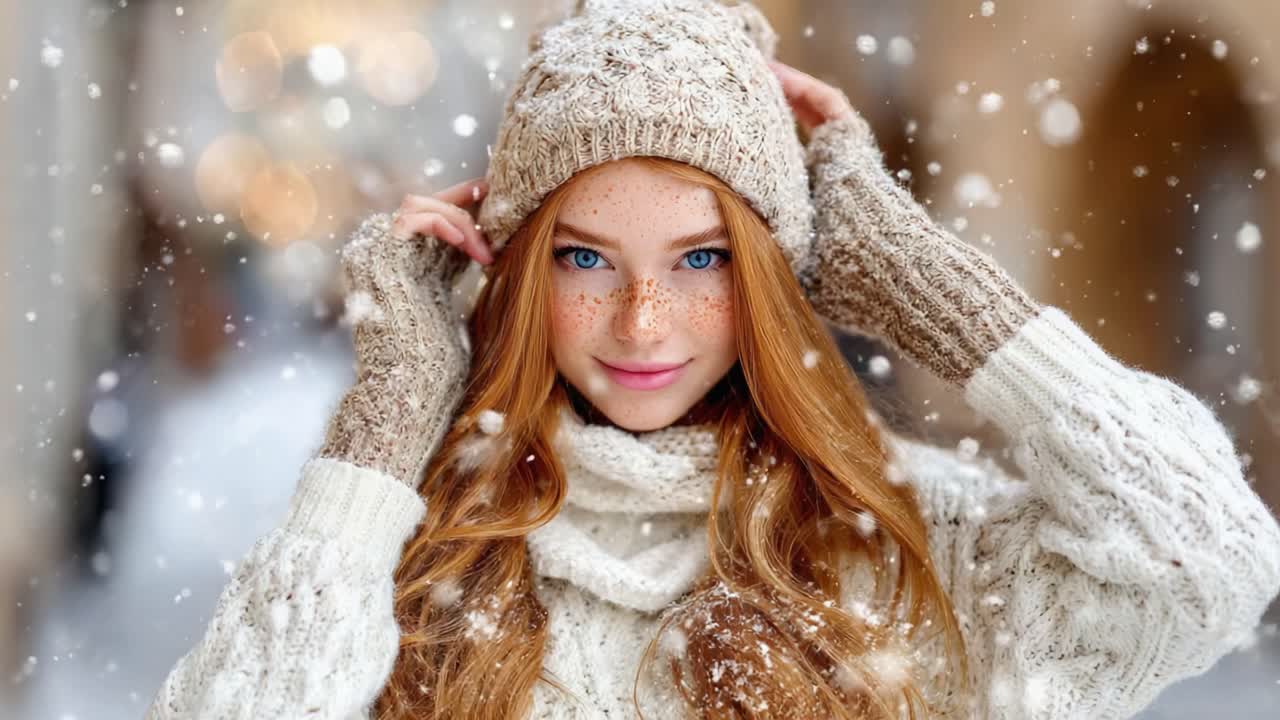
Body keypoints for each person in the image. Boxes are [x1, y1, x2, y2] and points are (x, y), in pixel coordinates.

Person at [145, 1, 1280, 718]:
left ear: (771, 280)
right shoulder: (401, 572)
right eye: (586, 259)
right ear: (520, 271)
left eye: (702, 261)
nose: (643, 323)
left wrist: (935, 295)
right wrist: (387, 428)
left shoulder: (916, 553)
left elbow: (1209, 558)